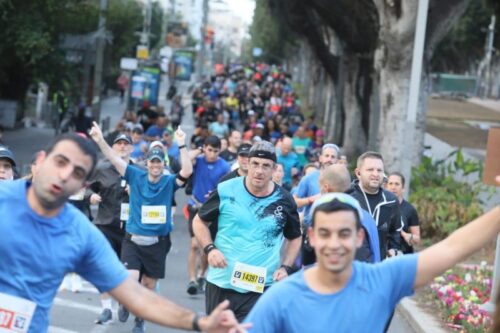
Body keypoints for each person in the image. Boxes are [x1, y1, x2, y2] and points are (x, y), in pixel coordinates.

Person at [0, 133, 246, 333]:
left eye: (78, 173)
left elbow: (136, 295)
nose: (65, 175)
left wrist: (199, 323)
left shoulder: (80, 234)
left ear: (83, 183)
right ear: (42, 160)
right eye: (60, 162)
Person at [245, 191, 500, 333]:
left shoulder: (383, 280)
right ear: (311, 237)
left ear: (359, 237)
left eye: (344, 233)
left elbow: (452, 248)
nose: (334, 243)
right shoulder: (281, 298)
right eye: (325, 233)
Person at [89, 122, 192, 333]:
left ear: (163, 164)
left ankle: (139, 320)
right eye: (152, 162)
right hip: (133, 240)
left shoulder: (169, 181)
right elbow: (114, 159)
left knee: (149, 286)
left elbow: (187, 171)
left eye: (158, 162)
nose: (155, 165)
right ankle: (126, 302)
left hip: (157, 242)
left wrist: (182, 145)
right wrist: (100, 140)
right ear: (147, 163)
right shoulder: (135, 175)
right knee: (131, 279)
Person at [192, 141, 302, 322]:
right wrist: (210, 249)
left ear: (274, 169)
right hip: (221, 281)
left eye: (266, 166)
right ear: (247, 164)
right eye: (255, 164)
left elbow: (295, 237)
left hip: (260, 286)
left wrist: (286, 267)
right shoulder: (226, 189)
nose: (259, 171)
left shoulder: (284, 199)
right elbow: (199, 221)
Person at [87, 133, 134, 324]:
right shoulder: (102, 168)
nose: (122, 147)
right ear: (113, 147)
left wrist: (137, 191)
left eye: (125, 144)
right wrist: (90, 196)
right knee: (103, 268)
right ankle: (106, 308)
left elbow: (151, 193)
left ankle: (125, 302)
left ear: (131, 148)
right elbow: (87, 188)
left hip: (129, 228)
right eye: (118, 144)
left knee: (128, 271)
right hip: (105, 224)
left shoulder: (137, 170)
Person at [186, 136, 231, 295]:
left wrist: (216, 193)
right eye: (209, 150)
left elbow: (228, 187)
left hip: (212, 209)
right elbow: (184, 158)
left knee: (206, 246)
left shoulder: (225, 166)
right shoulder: (198, 160)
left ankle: (201, 274)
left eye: (216, 151)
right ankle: (191, 279)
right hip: (195, 205)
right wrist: (199, 150)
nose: (212, 154)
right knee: (194, 244)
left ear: (220, 151)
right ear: (205, 148)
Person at [347, 151, 402, 259]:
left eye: (379, 170)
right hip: (351, 266)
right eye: (370, 170)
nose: (376, 174)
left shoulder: (391, 200)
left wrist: (393, 249)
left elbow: (395, 231)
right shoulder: (347, 197)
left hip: (378, 266)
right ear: (358, 173)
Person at [387, 172, 421, 254]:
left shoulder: (410, 209)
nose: (393, 187)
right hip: (383, 255)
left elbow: (417, 239)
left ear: (403, 188)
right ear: (386, 186)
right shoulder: (381, 206)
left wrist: (406, 235)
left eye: (397, 184)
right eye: (390, 183)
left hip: (403, 255)